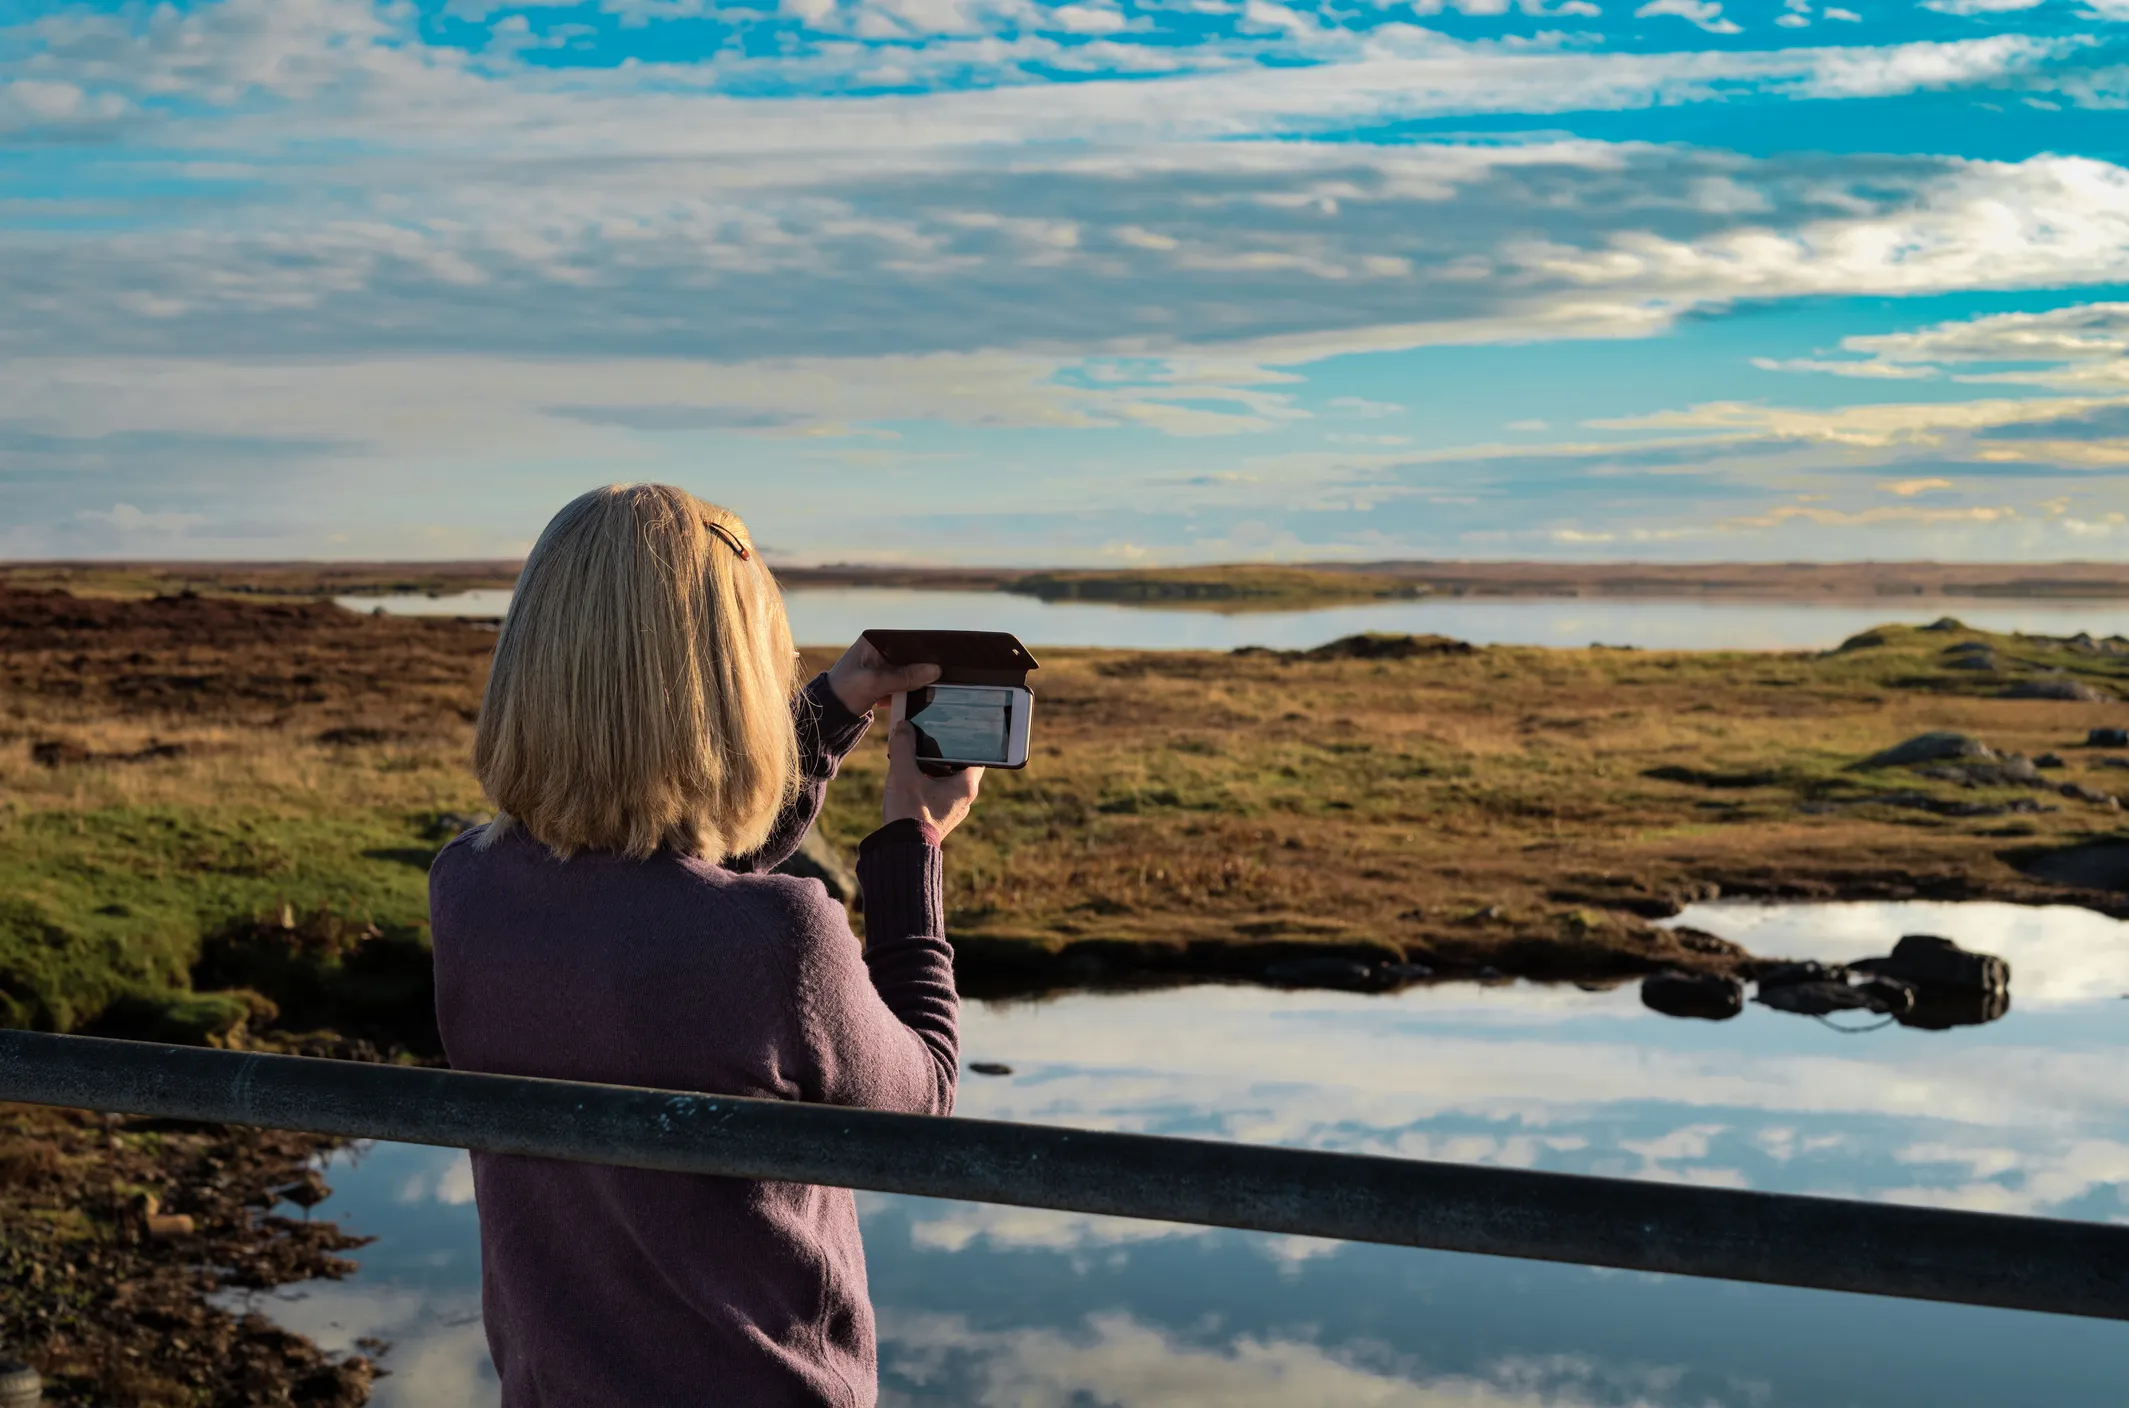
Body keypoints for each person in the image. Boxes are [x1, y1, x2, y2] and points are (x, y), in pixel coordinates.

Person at [428, 483, 983, 1406]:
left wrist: (835, 708)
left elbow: (656, 891)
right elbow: (920, 1103)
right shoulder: (783, 937)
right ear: (735, 684)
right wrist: (910, 846)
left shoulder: (471, 889)